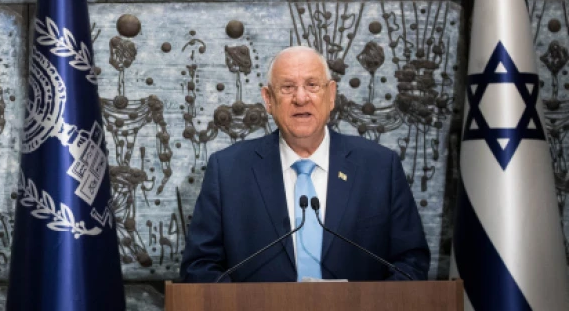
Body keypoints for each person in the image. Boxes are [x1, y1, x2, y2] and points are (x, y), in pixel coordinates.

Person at [180, 45, 429, 282]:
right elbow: (199, 268)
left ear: (331, 95)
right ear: (268, 100)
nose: (301, 98)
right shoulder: (228, 171)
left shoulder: (380, 168)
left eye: (312, 85)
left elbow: (411, 263)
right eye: (287, 87)